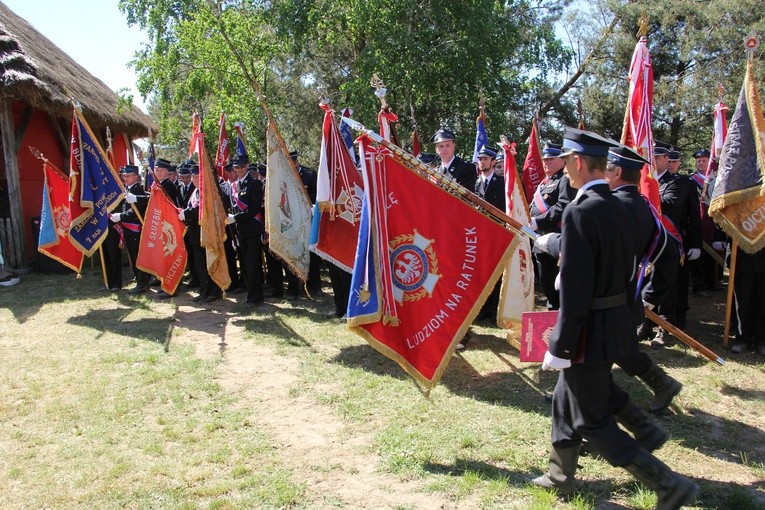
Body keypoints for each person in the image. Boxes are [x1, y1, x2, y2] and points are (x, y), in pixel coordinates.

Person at [530, 128, 698, 509]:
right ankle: (560, 473)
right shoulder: (622, 206)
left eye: (568, 162)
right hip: (614, 322)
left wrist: (561, 343)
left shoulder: (580, 210)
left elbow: (575, 287)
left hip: (589, 330)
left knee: (592, 418)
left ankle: (668, 484)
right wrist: (558, 244)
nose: (565, 171)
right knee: (564, 400)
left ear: (577, 163)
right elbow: (601, 259)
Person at [653, 144, 702, 346]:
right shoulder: (646, 180)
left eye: (660, 158)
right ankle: (649, 322)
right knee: (651, 283)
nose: (655, 161)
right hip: (651, 243)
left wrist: (696, 243)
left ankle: (671, 325)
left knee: (674, 286)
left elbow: (693, 215)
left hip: (675, 241)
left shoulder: (681, 183)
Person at [528, 142, 576, 310]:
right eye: (545, 159)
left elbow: (563, 206)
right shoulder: (544, 183)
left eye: (551, 159)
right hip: (540, 239)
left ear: (563, 161)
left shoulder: (564, 180)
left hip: (557, 239)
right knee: (546, 283)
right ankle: (552, 312)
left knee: (557, 285)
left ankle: (557, 313)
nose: (547, 162)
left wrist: (537, 221)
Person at [180, 164, 222, 303]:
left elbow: (202, 209)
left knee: (209, 262)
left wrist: (186, 213)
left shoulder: (207, 192)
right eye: (193, 177)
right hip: (195, 234)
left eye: (198, 176)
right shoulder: (195, 192)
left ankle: (214, 291)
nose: (195, 179)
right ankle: (204, 290)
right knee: (200, 265)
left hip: (206, 233)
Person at [229, 153, 265, 306]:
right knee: (244, 265)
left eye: (242, 166)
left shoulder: (255, 184)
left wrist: (235, 218)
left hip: (253, 230)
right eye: (236, 167)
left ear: (247, 166)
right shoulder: (235, 185)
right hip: (240, 231)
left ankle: (255, 297)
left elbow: (253, 209)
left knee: (253, 264)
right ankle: (251, 294)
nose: (239, 169)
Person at [474, 145, 505, 323]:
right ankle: (483, 309)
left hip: (497, 233)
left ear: (493, 162)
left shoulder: (501, 182)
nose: (482, 162)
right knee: (482, 272)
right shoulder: (477, 182)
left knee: (496, 271)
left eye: (485, 159)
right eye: (480, 159)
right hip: (481, 233)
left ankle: (494, 311)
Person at [110, 165, 150, 295]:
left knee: (137, 257)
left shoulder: (137, 190)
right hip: (128, 229)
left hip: (135, 229)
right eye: (124, 176)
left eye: (127, 176)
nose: (125, 178)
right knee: (132, 257)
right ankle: (139, 279)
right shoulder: (128, 188)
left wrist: (121, 216)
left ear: (135, 176)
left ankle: (142, 284)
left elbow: (135, 211)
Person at [688, 148, 721, 296]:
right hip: (698, 219)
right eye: (698, 160)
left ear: (710, 162)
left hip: (715, 219)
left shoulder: (718, 178)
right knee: (700, 252)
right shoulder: (691, 179)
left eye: (704, 160)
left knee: (716, 248)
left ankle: (715, 281)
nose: (701, 163)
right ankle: (699, 283)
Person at [729, 247, 765, 355]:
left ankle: (762, 340)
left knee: (763, 301)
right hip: (742, 258)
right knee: (742, 301)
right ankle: (742, 338)